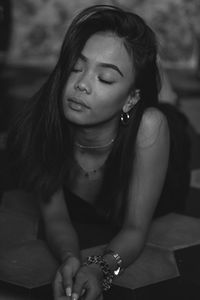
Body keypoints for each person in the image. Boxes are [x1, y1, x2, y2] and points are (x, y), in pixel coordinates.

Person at [7, 4, 190, 300]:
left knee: (170, 115)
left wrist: (100, 269)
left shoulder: (149, 127)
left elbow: (135, 229)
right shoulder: (43, 122)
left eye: (104, 78)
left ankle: (166, 93)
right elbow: (55, 220)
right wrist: (71, 259)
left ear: (131, 98)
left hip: (154, 146)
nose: (81, 85)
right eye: (76, 68)